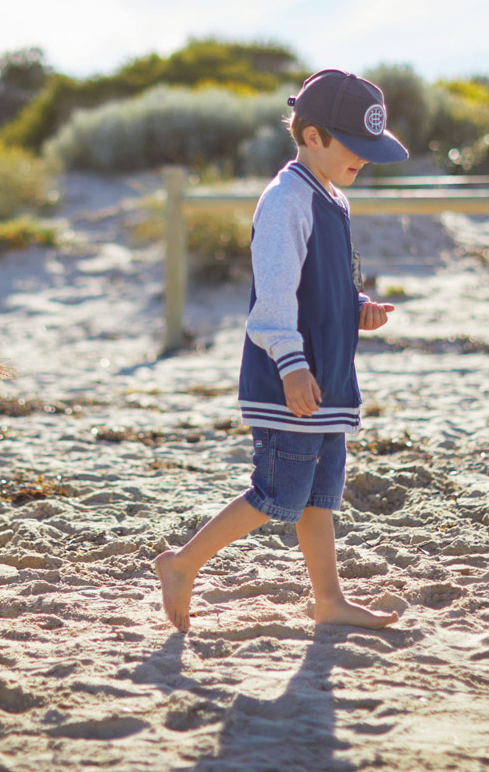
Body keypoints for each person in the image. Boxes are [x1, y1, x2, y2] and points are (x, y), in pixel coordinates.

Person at [156, 68, 409, 631]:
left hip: (327, 378)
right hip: (289, 378)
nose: (363, 159)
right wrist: (292, 366)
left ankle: (328, 600)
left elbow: (322, 285)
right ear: (313, 135)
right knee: (278, 494)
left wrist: (357, 307)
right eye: (354, 146)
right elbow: (272, 301)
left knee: (321, 499)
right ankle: (183, 562)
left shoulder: (332, 198)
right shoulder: (285, 200)